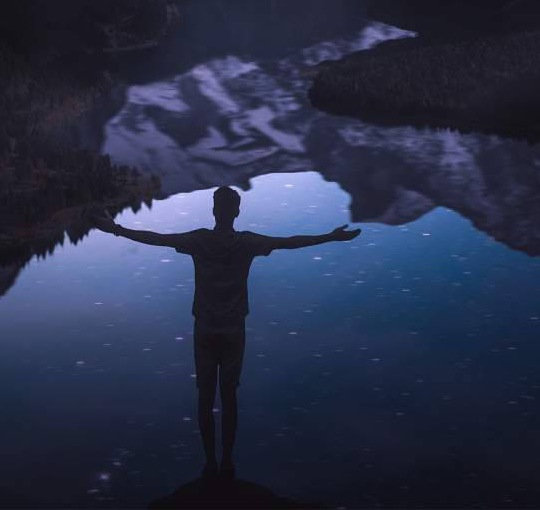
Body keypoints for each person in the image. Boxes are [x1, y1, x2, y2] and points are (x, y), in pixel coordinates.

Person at [96, 185, 360, 480]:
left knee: (205, 398)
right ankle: (228, 464)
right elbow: (289, 242)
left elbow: (155, 239)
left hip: (205, 329)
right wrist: (331, 237)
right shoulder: (247, 243)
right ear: (236, 212)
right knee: (229, 396)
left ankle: (210, 463)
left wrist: (115, 229)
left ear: (214, 210)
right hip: (233, 331)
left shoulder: (199, 240)